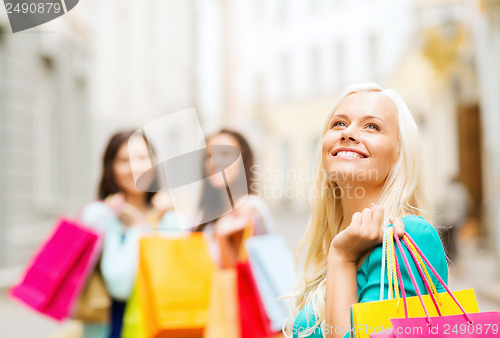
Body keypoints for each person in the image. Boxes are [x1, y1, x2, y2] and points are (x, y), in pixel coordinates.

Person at [285, 83, 449, 338]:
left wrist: (342, 258)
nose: (348, 133)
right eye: (339, 123)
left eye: (372, 126)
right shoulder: (339, 245)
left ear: (399, 154)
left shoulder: (408, 238)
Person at [78, 130, 175, 338]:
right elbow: (120, 285)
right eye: (124, 160)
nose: (135, 168)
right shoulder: (99, 215)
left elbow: (174, 279)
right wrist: (139, 227)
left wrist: (152, 220)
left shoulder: (165, 215)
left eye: (142, 158)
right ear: (110, 166)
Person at [194, 128, 275, 268]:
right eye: (209, 155)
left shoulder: (251, 208)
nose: (215, 162)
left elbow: (240, 272)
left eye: (226, 153)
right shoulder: (204, 215)